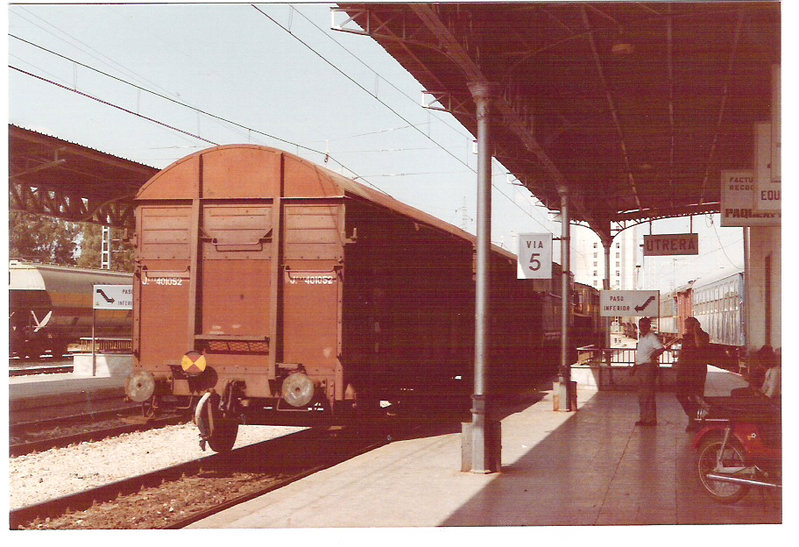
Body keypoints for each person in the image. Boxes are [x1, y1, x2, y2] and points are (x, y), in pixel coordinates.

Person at [675, 317, 710, 431]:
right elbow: (683, 353)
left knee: (695, 396)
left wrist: (695, 331)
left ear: (696, 325)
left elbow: (699, 345)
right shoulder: (686, 337)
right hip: (684, 370)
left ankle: (693, 421)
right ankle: (692, 417)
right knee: (680, 394)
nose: (687, 329)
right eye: (687, 327)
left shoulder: (704, 336)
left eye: (690, 327)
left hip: (697, 371)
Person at [632, 317, 668, 426]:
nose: (642, 328)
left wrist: (653, 356)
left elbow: (661, 348)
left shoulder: (652, 337)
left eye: (644, 326)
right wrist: (634, 367)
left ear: (648, 326)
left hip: (648, 367)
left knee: (648, 394)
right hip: (640, 367)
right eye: (640, 326)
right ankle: (643, 418)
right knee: (641, 395)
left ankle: (651, 419)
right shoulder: (642, 338)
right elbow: (641, 354)